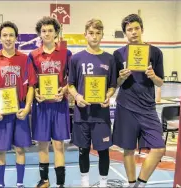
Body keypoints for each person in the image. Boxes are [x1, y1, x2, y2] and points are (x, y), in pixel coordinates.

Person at [112, 14, 166, 187]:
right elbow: (116, 84)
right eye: (129, 30)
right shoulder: (118, 54)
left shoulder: (155, 52)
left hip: (148, 108)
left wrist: (153, 76)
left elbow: (160, 81)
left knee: (159, 148)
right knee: (128, 149)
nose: (133, 32)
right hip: (126, 106)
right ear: (125, 33)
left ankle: (140, 184)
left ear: (142, 29)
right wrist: (120, 77)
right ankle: (131, 183)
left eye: (136, 28)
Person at [0, 21, 36, 188]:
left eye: (11, 35)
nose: (8, 38)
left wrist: (27, 107)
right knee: (0, 150)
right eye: (4, 35)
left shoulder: (25, 59)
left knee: (20, 149)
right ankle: (1, 184)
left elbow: (31, 86)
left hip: (19, 108)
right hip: (1, 110)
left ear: (16, 38)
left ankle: (19, 183)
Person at [68, 19, 117, 187]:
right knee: (83, 151)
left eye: (98, 33)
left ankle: (103, 183)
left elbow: (112, 85)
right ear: (85, 34)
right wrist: (77, 96)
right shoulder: (76, 58)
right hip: (82, 115)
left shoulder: (109, 59)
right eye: (91, 33)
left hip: (101, 115)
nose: (94, 36)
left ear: (102, 35)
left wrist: (108, 95)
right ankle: (85, 182)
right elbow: (71, 84)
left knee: (104, 151)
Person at [29, 16, 72, 188]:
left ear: (56, 33)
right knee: (42, 144)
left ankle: (60, 183)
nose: (47, 34)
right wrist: (37, 92)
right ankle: (44, 180)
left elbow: (72, 79)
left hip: (59, 104)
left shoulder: (66, 53)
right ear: (40, 34)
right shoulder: (33, 55)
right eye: (44, 31)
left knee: (59, 145)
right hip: (41, 105)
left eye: (50, 30)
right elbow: (32, 81)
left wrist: (65, 89)